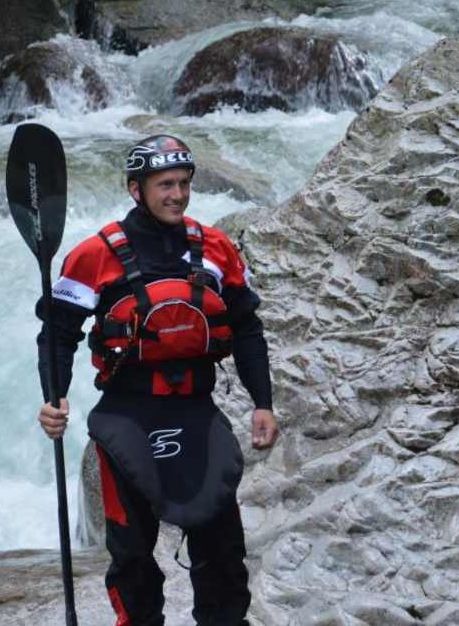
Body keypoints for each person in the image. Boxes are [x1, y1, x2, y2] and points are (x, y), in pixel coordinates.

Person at [36, 134, 279, 626]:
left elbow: (248, 328)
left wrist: (263, 402)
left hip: (195, 413)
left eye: (184, 183)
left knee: (224, 555)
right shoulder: (94, 255)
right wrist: (53, 400)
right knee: (132, 559)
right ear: (136, 189)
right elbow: (57, 334)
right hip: (128, 417)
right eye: (165, 184)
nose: (177, 194)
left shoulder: (215, 249)